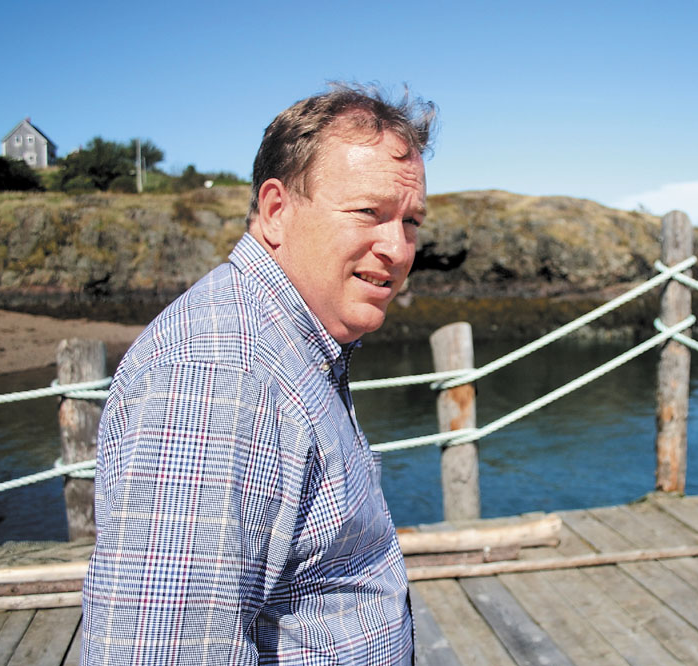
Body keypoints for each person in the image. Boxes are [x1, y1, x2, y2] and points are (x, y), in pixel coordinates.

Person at [81, 83, 436, 665]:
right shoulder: (222, 376)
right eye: (369, 213)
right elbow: (167, 652)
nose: (397, 249)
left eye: (411, 222)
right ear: (276, 211)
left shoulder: (287, 345)